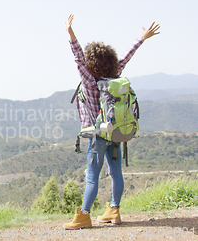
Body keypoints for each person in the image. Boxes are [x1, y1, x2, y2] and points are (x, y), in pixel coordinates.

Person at [63, 14, 160, 230]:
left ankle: (84, 216)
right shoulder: (116, 74)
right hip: (115, 131)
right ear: (111, 61)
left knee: (92, 177)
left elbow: (78, 57)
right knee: (116, 172)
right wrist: (141, 38)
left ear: (91, 61)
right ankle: (114, 210)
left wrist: (70, 33)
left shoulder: (89, 81)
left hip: (97, 135)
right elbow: (127, 56)